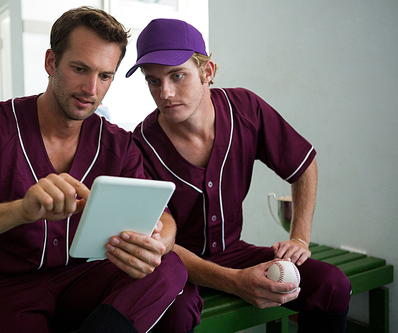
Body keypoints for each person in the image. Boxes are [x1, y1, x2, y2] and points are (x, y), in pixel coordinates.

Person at [0, 8, 191, 333]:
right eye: (79, 69)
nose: (91, 88)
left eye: (104, 76)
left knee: (169, 267)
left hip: (82, 277)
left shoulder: (117, 144)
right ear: (51, 62)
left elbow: (162, 216)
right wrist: (20, 210)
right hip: (2, 288)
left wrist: (161, 241)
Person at [126, 18, 352, 332]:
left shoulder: (244, 108)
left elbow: (304, 165)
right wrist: (235, 283)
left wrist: (299, 236)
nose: (165, 92)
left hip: (235, 253)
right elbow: (160, 241)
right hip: (175, 265)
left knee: (333, 285)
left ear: (207, 72)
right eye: (153, 81)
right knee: (175, 313)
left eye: (177, 75)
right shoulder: (139, 145)